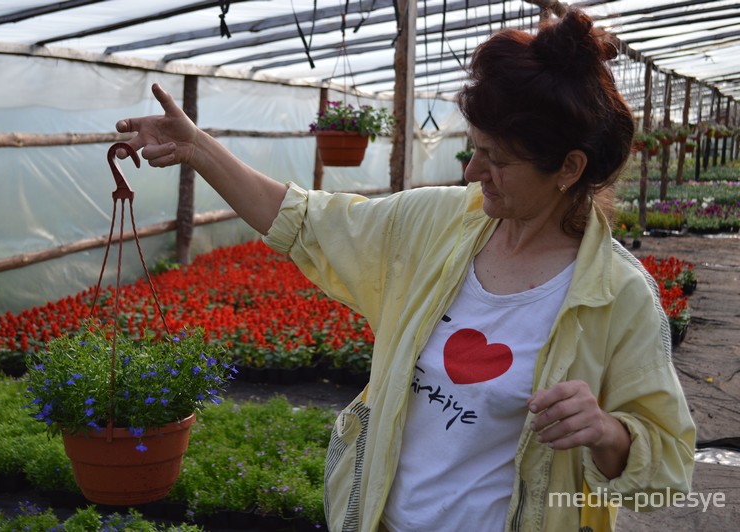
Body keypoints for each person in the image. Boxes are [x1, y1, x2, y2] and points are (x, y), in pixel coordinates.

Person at [116, 9, 695, 531]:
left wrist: (609, 435)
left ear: (569, 167)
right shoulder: (435, 225)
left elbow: (669, 468)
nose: (473, 172)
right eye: (474, 149)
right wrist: (198, 148)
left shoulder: (617, 297)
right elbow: (304, 220)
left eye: (497, 159)